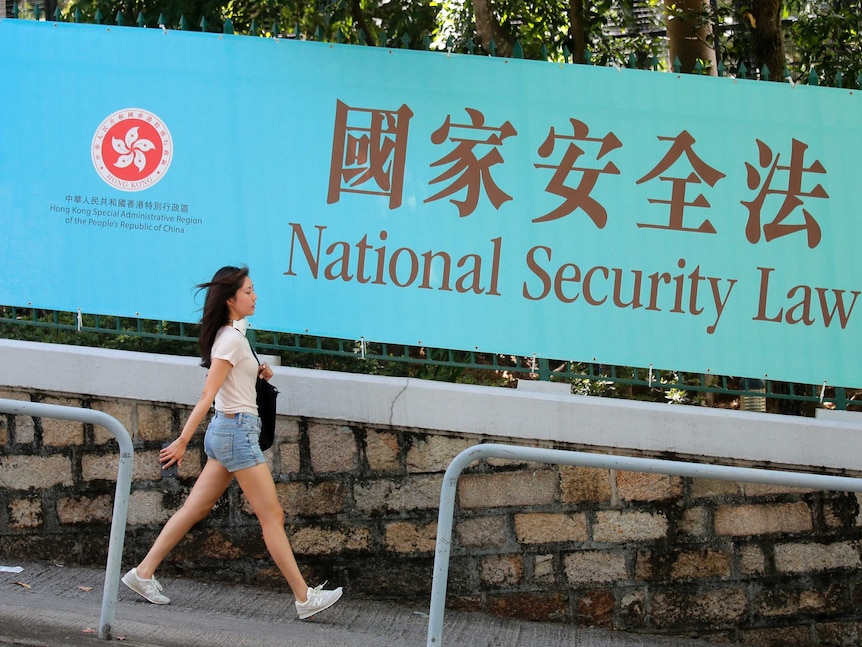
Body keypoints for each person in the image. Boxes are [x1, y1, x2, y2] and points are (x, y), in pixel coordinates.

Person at [121, 265, 342, 620]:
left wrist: (259, 371)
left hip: (229, 432)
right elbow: (208, 394)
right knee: (272, 515)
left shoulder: (232, 337)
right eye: (249, 291)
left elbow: (231, 381)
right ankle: (304, 598)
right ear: (230, 299)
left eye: (253, 290)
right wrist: (181, 442)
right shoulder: (231, 340)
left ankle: (142, 573)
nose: (255, 297)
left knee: (194, 509)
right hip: (235, 434)